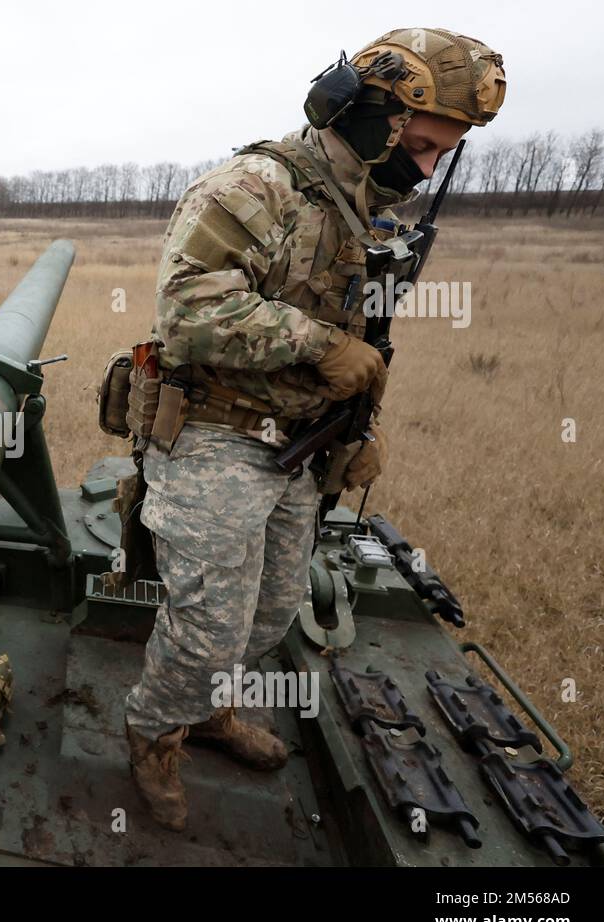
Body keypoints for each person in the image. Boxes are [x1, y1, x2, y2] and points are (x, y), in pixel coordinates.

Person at [122, 28, 506, 831]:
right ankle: (154, 734)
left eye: (445, 155)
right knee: (207, 626)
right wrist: (319, 347)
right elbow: (190, 313)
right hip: (214, 433)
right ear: (373, 114)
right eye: (425, 145)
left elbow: (369, 339)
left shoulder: (370, 210)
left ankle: (211, 713)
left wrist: (356, 429)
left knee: (273, 609)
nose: (428, 169)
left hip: (299, 447)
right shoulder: (253, 187)